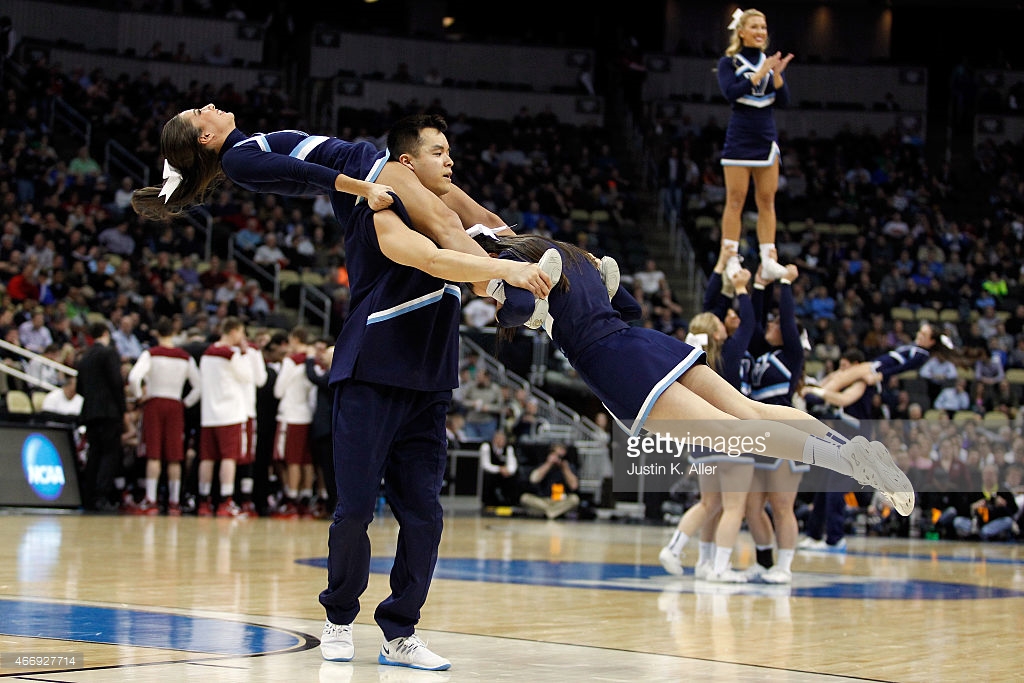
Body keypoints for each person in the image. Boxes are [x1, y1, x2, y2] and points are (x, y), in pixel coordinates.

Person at [318, 114, 557, 672]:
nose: (450, 160)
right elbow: (430, 259)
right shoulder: (378, 205)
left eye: (452, 152)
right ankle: (337, 617)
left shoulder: (457, 220)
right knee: (354, 511)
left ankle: (400, 631)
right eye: (438, 151)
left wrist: (555, 276)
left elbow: (494, 234)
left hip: (429, 382)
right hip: (371, 373)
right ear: (406, 163)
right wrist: (501, 273)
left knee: (424, 515)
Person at [483, 235, 914, 533]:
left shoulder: (529, 269)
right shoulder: (582, 261)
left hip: (612, 363)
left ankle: (846, 463)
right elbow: (629, 310)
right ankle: (849, 447)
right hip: (645, 343)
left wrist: (504, 295)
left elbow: (513, 309)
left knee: (735, 435)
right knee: (752, 412)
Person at [130, 104, 553, 327]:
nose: (208, 105)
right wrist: (364, 187)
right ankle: (506, 292)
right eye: (200, 113)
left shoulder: (243, 147)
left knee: (472, 210)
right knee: (444, 222)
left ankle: (529, 259)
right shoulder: (238, 160)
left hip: (362, 160)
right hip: (359, 169)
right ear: (205, 136)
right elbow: (305, 172)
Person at [716, 8, 794, 283]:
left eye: (764, 27)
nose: (761, 32)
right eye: (755, 27)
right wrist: (760, 73)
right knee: (736, 200)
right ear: (741, 31)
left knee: (766, 200)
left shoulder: (769, 61)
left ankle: (768, 257)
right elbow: (731, 94)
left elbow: (783, 101)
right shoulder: (730, 62)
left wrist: (778, 75)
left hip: (766, 138)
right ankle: (730, 257)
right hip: (740, 138)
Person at [126, 317, 202, 515]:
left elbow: (134, 377)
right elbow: (199, 387)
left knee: (154, 454)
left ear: (157, 334)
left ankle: (151, 500)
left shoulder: (151, 354)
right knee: (175, 456)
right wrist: (185, 403)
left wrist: (138, 395)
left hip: (155, 402)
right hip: (175, 404)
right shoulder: (184, 357)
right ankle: (174, 501)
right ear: (174, 334)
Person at [196, 317, 254, 518]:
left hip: (209, 414)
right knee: (228, 458)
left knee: (207, 458)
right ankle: (225, 501)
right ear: (234, 331)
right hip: (230, 413)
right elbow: (248, 377)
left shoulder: (206, 354)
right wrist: (245, 353)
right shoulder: (231, 355)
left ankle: (204, 501)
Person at [76, 320, 127, 512]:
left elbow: (80, 388)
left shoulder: (85, 356)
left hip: (90, 412)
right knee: (109, 454)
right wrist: (122, 410)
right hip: (108, 412)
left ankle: (89, 497)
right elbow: (116, 383)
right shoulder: (109, 353)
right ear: (106, 333)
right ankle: (102, 496)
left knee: (94, 454)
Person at [518, 442, 580, 520]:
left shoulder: (568, 467)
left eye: (561, 456)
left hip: (560, 502)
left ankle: (549, 513)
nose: (558, 458)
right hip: (543, 501)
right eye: (555, 455)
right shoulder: (543, 465)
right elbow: (533, 479)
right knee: (524, 498)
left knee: (575, 499)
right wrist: (548, 464)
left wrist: (565, 469)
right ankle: (552, 512)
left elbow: (574, 486)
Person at [478, 429, 520, 508]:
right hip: (492, 473)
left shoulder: (508, 448)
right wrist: (499, 469)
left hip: (504, 474)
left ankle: (510, 502)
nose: (501, 441)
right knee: (487, 477)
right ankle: (488, 503)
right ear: (494, 439)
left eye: (503, 439)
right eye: (499, 439)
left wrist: (508, 471)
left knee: (514, 477)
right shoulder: (486, 447)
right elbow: (485, 465)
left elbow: (513, 465)